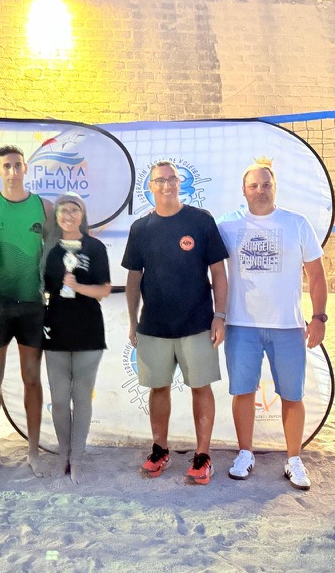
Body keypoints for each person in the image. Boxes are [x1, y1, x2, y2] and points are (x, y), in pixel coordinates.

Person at [217, 157, 327, 491]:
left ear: (275, 187)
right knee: (242, 392)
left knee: (292, 395)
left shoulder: (297, 224)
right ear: (243, 190)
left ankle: (294, 459)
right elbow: (208, 266)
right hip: (241, 325)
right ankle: (245, 453)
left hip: (288, 327)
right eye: (254, 185)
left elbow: (317, 275)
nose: (260, 190)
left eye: (266, 184)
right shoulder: (226, 225)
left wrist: (319, 317)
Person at [122, 160, 228, 485]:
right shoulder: (141, 228)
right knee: (159, 388)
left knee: (201, 387)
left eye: (172, 179)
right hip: (154, 326)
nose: (167, 185)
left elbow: (219, 273)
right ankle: (160, 450)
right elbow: (133, 279)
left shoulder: (201, 220)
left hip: (198, 323)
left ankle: (203, 456)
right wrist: (132, 321)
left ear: (180, 183)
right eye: (160, 180)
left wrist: (220, 316)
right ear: (150, 186)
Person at [0, 145, 54, 480]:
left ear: (25, 168)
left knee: (32, 378)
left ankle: (33, 451)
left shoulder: (44, 207)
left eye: (18, 165)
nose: (13, 171)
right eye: (6, 166)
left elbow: (56, 251)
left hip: (32, 305)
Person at [41, 192, 111, 484]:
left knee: (82, 398)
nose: (68, 215)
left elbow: (104, 289)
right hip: (55, 329)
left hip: (88, 330)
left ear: (82, 215)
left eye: (74, 210)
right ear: (56, 215)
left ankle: (77, 458)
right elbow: (42, 286)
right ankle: (63, 455)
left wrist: (78, 286)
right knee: (59, 400)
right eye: (63, 210)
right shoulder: (49, 249)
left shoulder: (95, 247)